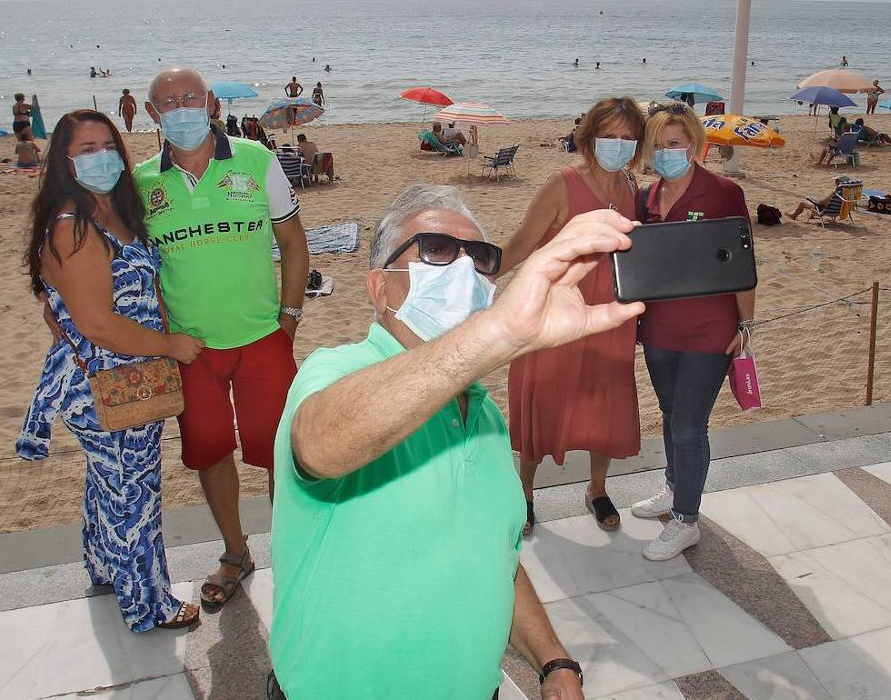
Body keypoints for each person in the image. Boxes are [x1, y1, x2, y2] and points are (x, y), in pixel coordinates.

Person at [269, 183, 619, 700]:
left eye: (480, 258)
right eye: (436, 250)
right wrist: (496, 335)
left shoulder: (486, 417)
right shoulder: (337, 369)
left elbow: (494, 555)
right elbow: (321, 444)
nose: (463, 269)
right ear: (379, 287)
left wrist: (552, 659)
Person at [17, 109, 204, 632]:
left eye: (108, 147)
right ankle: (149, 604)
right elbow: (99, 324)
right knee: (133, 493)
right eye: (86, 150)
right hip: (107, 383)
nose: (101, 158)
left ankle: (105, 567)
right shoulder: (74, 226)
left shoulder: (109, 213)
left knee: (110, 485)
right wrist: (172, 345)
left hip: (121, 379)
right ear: (64, 161)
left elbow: (74, 296)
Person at [138, 67, 308, 610]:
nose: (181, 107)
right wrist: (164, 335)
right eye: (167, 101)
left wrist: (289, 317)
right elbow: (137, 267)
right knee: (211, 451)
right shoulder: (140, 182)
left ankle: (293, 550)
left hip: (264, 338)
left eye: (190, 97)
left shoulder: (257, 159)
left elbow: (293, 240)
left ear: (210, 102)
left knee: (280, 452)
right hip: (192, 349)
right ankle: (236, 552)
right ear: (151, 114)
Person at [501, 97, 645, 534]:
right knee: (543, 399)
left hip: (610, 316)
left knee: (605, 402)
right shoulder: (561, 184)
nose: (617, 145)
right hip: (556, 314)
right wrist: (471, 271)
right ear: (589, 138)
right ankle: (524, 492)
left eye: (627, 138)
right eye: (609, 136)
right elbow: (522, 243)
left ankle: (596, 489)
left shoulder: (632, 189)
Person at [629, 102, 755, 560]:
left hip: (710, 329)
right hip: (660, 329)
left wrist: (746, 324)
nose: (666, 153)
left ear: (695, 145)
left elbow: (743, 263)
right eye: (659, 145)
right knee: (669, 413)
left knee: (688, 426)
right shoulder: (645, 198)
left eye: (675, 144)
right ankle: (673, 488)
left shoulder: (723, 192)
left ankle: (686, 520)